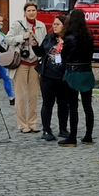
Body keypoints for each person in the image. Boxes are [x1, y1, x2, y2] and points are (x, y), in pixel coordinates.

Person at [59, 10, 97, 145]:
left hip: (73, 72)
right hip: (86, 71)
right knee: (88, 106)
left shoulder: (69, 38)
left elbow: (64, 56)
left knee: (73, 106)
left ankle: (72, 136)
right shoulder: (89, 37)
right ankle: (88, 136)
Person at [12, 2, 44, 133]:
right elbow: (8, 39)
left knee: (33, 95)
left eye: (33, 10)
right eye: (29, 10)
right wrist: (22, 37)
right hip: (21, 63)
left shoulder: (41, 26)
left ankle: (32, 122)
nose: (31, 12)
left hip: (35, 63)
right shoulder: (17, 24)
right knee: (20, 95)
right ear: (24, 12)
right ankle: (22, 124)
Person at [36, 14, 68, 147]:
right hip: (47, 76)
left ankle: (63, 129)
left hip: (63, 76)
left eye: (57, 24)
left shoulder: (68, 39)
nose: (54, 26)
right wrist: (34, 46)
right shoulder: (48, 38)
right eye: (53, 24)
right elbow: (40, 52)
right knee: (47, 103)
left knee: (63, 104)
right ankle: (46, 129)